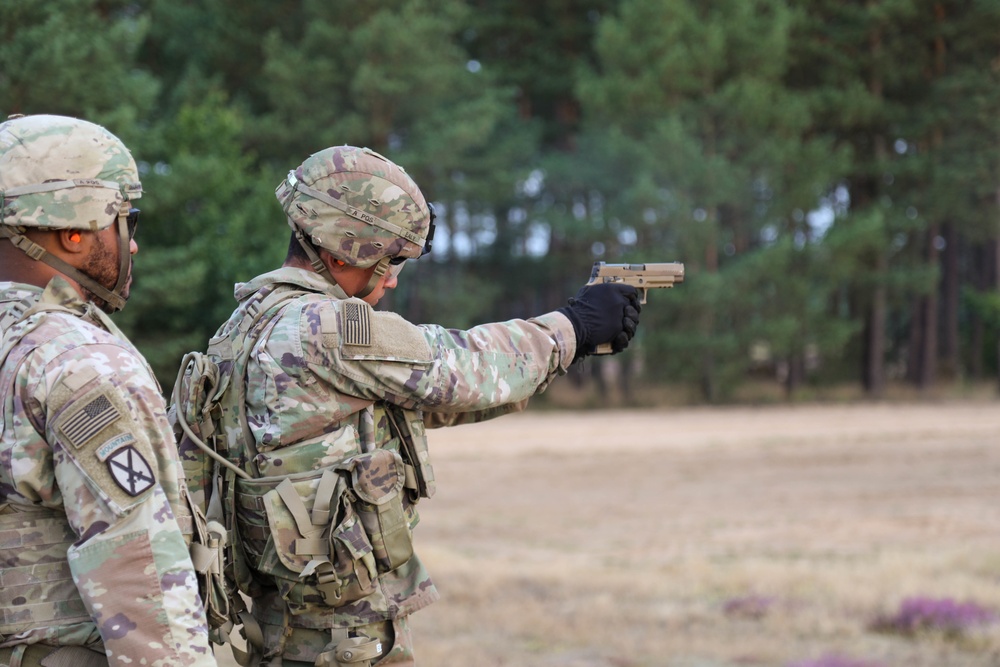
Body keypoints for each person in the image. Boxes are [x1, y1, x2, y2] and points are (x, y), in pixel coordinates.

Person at [171, 145, 641, 667]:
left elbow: (416, 402)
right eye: (387, 259)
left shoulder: (242, 326)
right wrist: (571, 329)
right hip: (342, 634)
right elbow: (456, 368)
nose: (392, 278)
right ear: (339, 252)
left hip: (277, 622)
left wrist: (557, 356)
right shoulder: (326, 328)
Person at [0, 114, 217, 667]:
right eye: (125, 220)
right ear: (74, 231)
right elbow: (137, 562)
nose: (133, 245)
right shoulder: (77, 362)